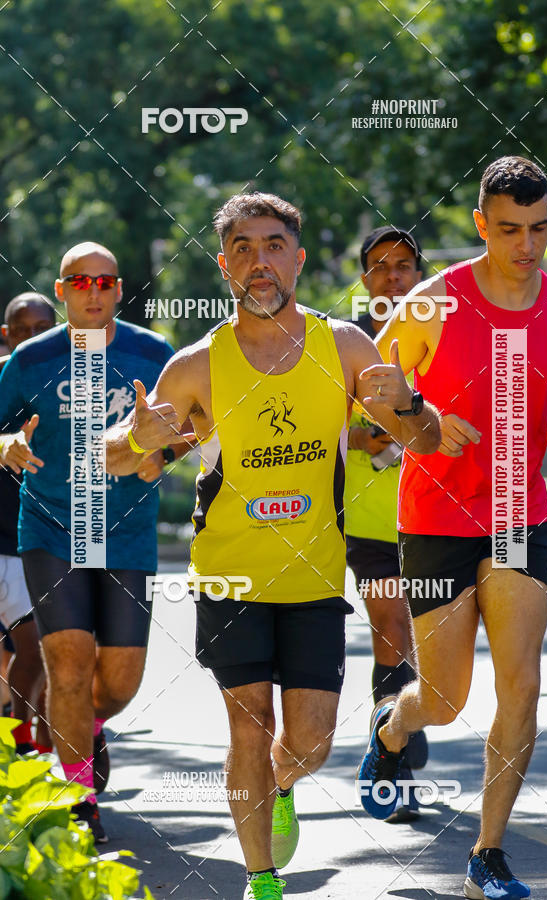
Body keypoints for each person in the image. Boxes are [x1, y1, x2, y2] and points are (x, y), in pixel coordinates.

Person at [105, 192, 441, 900]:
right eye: (244, 249)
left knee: (310, 744)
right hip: (228, 577)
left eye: (274, 245)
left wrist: (409, 402)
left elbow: (424, 439)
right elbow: (125, 459)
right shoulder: (195, 366)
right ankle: (262, 880)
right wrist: (140, 436)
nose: (261, 262)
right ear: (225, 266)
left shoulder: (346, 346)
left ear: (300, 257)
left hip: (316, 577)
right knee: (249, 725)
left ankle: (281, 786)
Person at [357, 156, 547, 899]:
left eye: (541, 229)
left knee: (521, 686)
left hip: (518, 516)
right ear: (481, 225)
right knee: (446, 697)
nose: (528, 246)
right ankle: (392, 730)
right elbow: (370, 408)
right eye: (511, 230)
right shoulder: (431, 305)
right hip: (435, 520)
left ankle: (486, 856)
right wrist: (423, 418)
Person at [0, 243, 176, 843]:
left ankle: (88, 724)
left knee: (119, 682)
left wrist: (167, 453)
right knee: (68, 665)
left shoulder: (154, 354)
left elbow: (194, 423)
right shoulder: (28, 360)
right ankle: (79, 798)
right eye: (80, 281)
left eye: (103, 280)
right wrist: (6, 447)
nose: (92, 290)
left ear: (119, 288)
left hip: (124, 532)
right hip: (49, 528)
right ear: (61, 289)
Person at [344, 227, 428, 822]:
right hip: (370, 522)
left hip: (436, 517)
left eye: (403, 265)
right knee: (392, 625)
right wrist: (359, 434)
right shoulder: (345, 346)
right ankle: (393, 764)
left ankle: (398, 724)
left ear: (420, 274)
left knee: (427, 640)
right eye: (379, 266)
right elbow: (315, 429)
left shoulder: (444, 342)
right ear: (365, 278)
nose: (392, 276)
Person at [0, 293, 56, 752]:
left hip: (31, 548)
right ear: (7, 335)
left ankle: (25, 745)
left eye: (44, 329)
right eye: (24, 330)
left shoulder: (70, 389)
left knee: (35, 652)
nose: (33, 339)